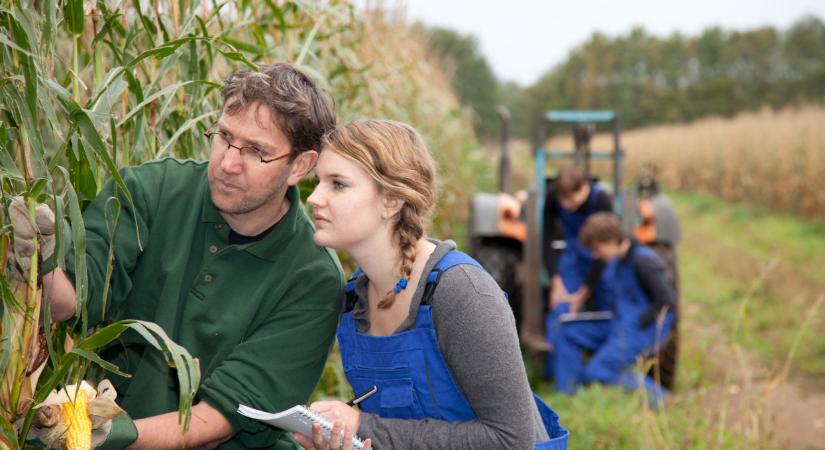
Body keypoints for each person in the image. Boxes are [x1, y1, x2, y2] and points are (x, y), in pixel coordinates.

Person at [14, 63, 344, 449]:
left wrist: (99, 434)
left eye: (255, 151)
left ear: (300, 166)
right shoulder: (149, 190)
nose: (227, 163)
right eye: (224, 136)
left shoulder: (313, 278)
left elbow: (212, 424)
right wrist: (39, 258)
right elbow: (70, 303)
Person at [297, 119, 568, 450]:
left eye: (337, 184)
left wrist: (364, 427)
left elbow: (511, 441)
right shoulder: (355, 301)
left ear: (391, 200)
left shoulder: (462, 294)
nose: (315, 198)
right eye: (319, 182)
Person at [550, 212, 676, 403]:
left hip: (641, 328)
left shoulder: (643, 261)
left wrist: (642, 321)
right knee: (567, 330)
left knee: (598, 371)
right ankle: (567, 396)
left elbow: (667, 299)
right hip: (619, 322)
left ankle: (662, 399)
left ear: (609, 241)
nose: (594, 255)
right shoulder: (617, 262)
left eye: (596, 248)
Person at [542, 164, 617, 378]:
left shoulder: (602, 199)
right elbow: (546, 238)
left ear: (584, 188)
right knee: (561, 306)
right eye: (562, 201)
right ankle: (557, 372)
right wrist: (555, 279)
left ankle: (603, 367)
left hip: (602, 258)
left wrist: (584, 292)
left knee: (608, 306)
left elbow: (607, 250)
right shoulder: (552, 196)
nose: (566, 206)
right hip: (574, 255)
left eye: (571, 200)